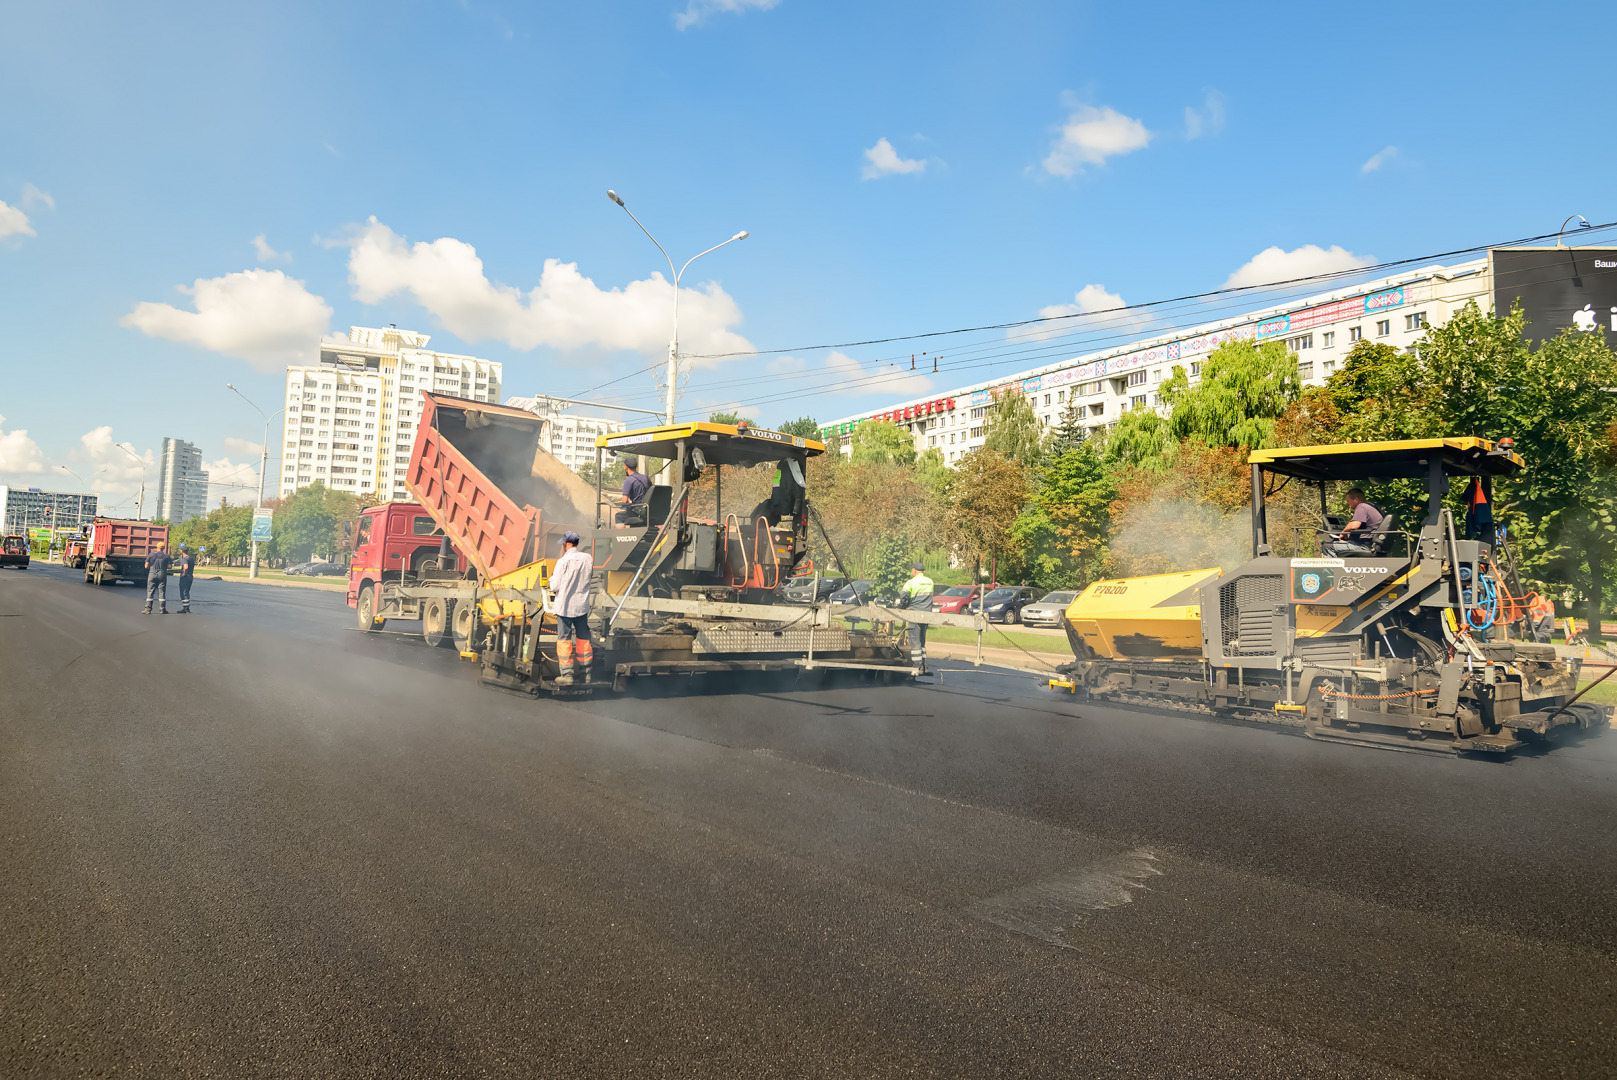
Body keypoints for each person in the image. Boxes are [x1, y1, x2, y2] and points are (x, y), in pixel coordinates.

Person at [549, 530, 595, 686]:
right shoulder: (588, 558)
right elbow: (589, 578)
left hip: (565, 607)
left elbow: (555, 586)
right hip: (581, 607)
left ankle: (567, 675)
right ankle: (586, 674)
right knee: (583, 639)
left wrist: (550, 581)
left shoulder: (563, 561)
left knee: (564, 640)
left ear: (566, 544)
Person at [1322, 488, 1384, 557]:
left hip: (1364, 545)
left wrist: (1344, 532)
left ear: (1356, 500)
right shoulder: (1371, 506)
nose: (1348, 503)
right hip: (1372, 544)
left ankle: (1331, 568)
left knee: (1327, 546)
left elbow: (1355, 525)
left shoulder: (1361, 507)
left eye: (1348, 500)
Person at [901, 562, 934, 671]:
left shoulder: (911, 582)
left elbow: (903, 596)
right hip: (926, 614)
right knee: (922, 640)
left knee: (915, 640)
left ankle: (917, 665)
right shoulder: (930, 582)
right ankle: (924, 665)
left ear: (914, 570)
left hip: (915, 613)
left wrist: (904, 606)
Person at [616, 458, 652, 525]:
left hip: (638, 511)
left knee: (618, 516)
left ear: (626, 467)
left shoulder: (629, 480)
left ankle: (621, 535)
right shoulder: (646, 478)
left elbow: (624, 500)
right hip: (648, 511)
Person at [143, 544, 172, 614]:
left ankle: (148, 610)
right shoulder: (166, 556)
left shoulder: (151, 555)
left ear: (157, 547)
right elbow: (170, 566)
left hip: (152, 574)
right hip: (162, 574)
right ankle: (162, 609)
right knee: (162, 592)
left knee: (150, 591)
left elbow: (146, 566)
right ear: (164, 548)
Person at [175, 543, 196, 613]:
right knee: (187, 592)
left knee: (183, 592)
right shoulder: (190, 558)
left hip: (185, 577)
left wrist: (183, 573)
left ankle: (186, 608)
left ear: (181, 551)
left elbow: (186, 567)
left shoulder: (184, 559)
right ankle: (186, 607)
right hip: (190, 576)